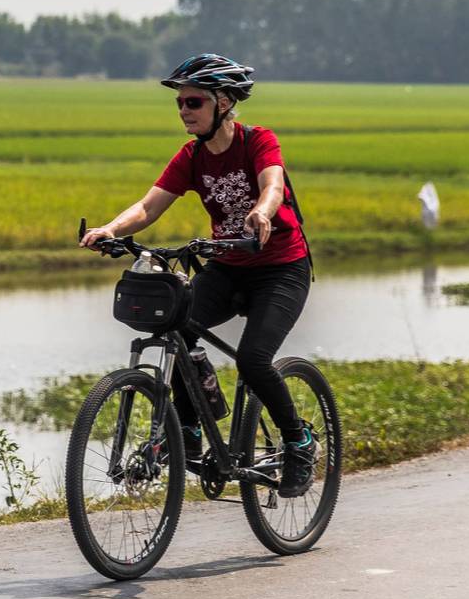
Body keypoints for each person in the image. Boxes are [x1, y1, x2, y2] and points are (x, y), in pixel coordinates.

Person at [79, 53, 317, 498]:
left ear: (223, 103)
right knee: (176, 328)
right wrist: (110, 229)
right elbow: (149, 207)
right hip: (228, 267)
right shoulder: (191, 157)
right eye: (181, 103)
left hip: (281, 269)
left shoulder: (257, 141)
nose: (184, 111)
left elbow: (272, 187)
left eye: (194, 102)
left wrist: (262, 213)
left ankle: (298, 441)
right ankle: (189, 429)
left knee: (253, 359)